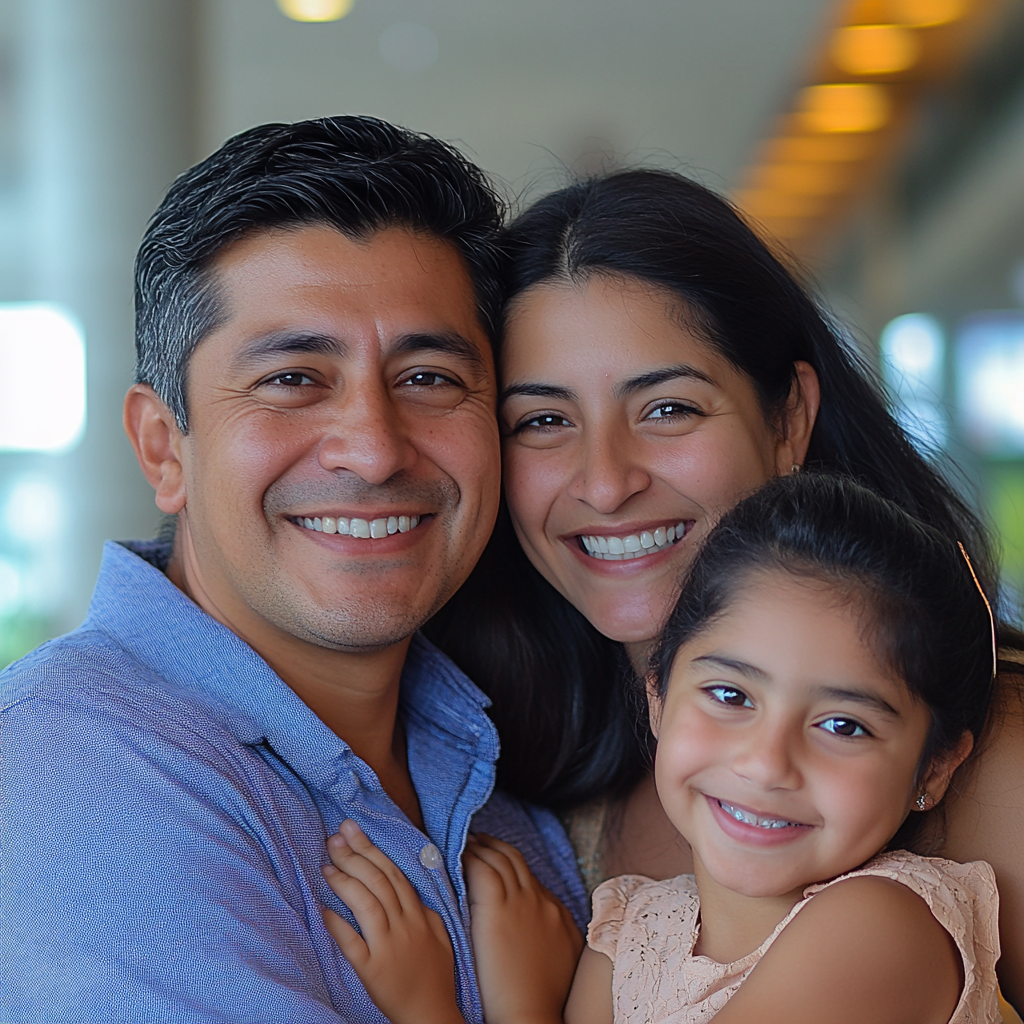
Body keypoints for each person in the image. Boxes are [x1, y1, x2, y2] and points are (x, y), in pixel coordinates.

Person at [0, 115, 585, 1024]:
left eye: (428, 377)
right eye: (293, 379)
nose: (375, 450)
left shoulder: (500, 787)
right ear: (165, 448)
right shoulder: (76, 775)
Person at [423, 168, 1024, 1007]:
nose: (604, 483)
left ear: (787, 421)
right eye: (544, 421)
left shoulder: (992, 754)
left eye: (668, 409)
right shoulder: (541, 780)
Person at [316, 473, 1003, 1024]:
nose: (766, 762)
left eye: (843, 726)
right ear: (658, 698)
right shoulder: (632, 932)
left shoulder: (881, 928)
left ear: (936, 767)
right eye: (731, 696)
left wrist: (460, 1008)